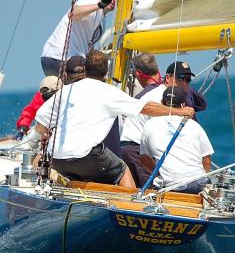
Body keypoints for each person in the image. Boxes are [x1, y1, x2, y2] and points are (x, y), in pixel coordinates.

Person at [34, 50, 195, 188]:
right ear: (106, 73)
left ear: (86, 69)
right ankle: (129, 207)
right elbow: (146, 108)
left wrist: (46, 134)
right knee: (122, 170)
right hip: (86, 156)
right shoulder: (108, 91)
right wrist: (179, 112)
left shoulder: (65, 91)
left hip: (57, 158)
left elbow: (40, 125)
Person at [120, 60, 207, 187]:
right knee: (150, 193)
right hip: (136, 149)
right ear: (168, 78)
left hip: (139, 149)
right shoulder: (159, 96)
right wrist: (180, 111)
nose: (184, 83)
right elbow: (151, 114)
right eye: (180, 78)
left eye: (188, 80)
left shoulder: (169, 96)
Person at [140, 86, 214, 194]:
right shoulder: (195, 126)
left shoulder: (149, 125)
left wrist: (161, 174)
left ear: (161, 102)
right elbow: (206, 160)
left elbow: (145, 159)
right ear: (183, 105)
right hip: (197, 185)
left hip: (169, 186)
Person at [41, 0, 116, 76]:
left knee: (101, 70)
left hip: (67, 59)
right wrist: (100, 5)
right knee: (94, 75)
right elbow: (73, 14)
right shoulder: (90, 2)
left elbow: (89, 46)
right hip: (58, 57)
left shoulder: (102, 20)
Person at [15, 76, 62, 140]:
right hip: (43, 131)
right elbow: (30, 111)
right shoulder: (41, 96)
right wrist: (23, 126)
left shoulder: (68, 96)